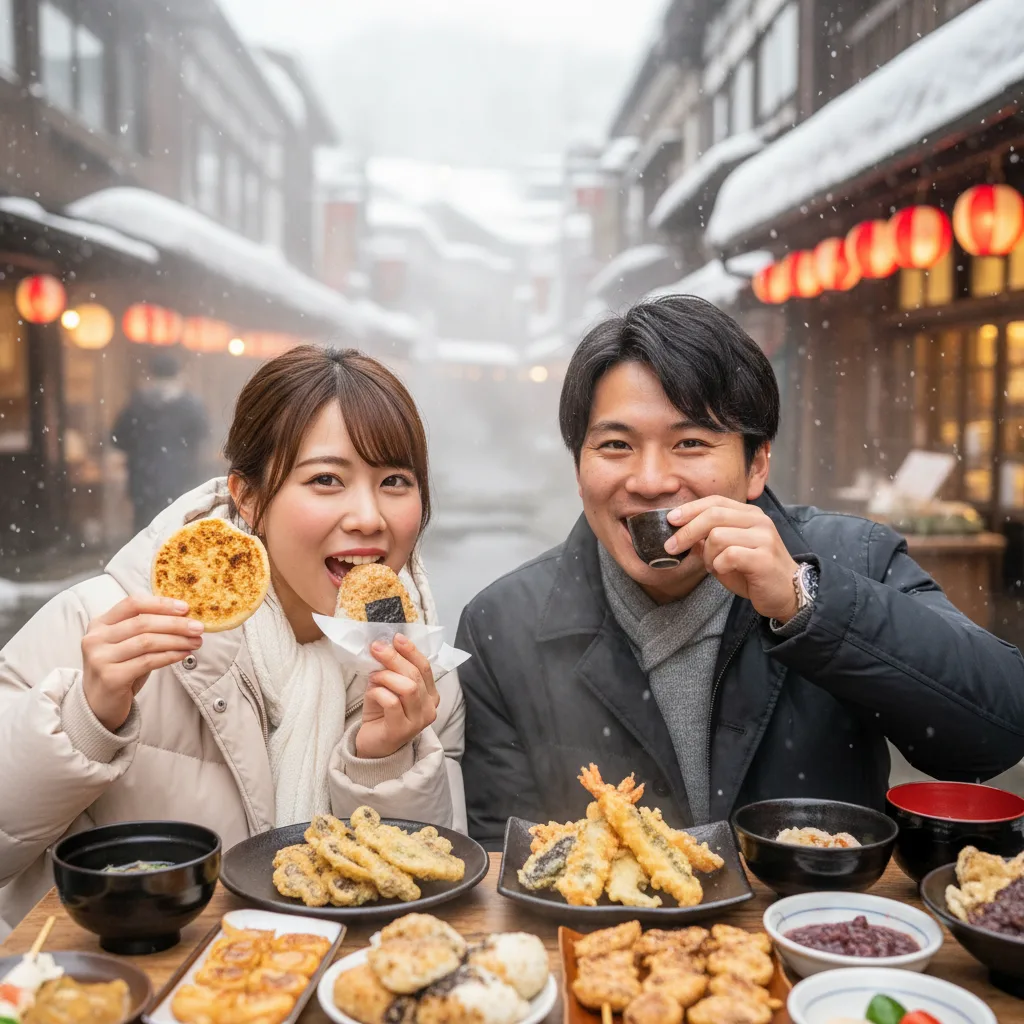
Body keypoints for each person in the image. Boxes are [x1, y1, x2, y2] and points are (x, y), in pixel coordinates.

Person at [456, 296, 1024, 848]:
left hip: (805, 927)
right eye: (615, 445)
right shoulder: (500, 626)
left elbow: (994, 731)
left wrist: (807, 604)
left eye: (691, 442)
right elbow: (508, 858)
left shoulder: (853, 559)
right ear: (579, 470)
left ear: (756, 465)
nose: (651, 480)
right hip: (609, 936)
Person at [0, 346, 464, 937]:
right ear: (247, 497)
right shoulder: (99, 629)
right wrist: (84, 721)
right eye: (327, 479)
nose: (369, 516)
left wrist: (385, 762)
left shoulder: (421, 672)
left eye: (395, 481)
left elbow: (438, 897)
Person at [113, 350, 211, 532]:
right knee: (177, 537)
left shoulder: (137, 403)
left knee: (143, 537)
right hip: (181, 482)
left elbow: (118, 439)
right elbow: (202, 436)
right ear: (178, 374)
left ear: (151, 374)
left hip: (143, 482)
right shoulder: (190, 405)